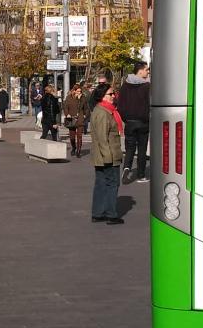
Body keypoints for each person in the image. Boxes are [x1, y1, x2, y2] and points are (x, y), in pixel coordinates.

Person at [89, 84, 125, 224]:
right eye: (111, 94)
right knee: (112, 184)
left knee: (101, 183)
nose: (114, 96)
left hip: (102, 155)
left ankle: (98, 213)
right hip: (108, 155)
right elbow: (102, 138)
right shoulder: (103, 113)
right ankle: (111, 214)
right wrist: (108, 157)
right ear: (102, 96)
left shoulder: (103, 110)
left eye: (114, 93)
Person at [116, 62, 152, 184]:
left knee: (129, 148)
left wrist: (126, 118)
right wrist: (147, 117)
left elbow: (120, 105)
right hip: (143, 122)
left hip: (130, 122)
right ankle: (141, 175)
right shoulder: (147, 86)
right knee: (142, 149)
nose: (148, 72)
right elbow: (150, 104)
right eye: (146, 70)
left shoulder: (125, 86)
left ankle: (126, 169)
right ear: (140, 71)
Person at [63, 83, 87, 157]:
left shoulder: (83, 98)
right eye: (77, 91)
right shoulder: (69, 97)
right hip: (71, 118)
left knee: (79, 136)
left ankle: (78, 151)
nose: (79, 93)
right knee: (72, 137)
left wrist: (85, 114)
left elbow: (85, 108)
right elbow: (65, 107)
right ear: (74, 91)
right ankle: (74, 147)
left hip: (80, 118)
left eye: (80, 91)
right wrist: (67, 114)